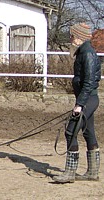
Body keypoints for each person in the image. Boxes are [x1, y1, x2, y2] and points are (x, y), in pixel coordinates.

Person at [52, 23, 101, 183]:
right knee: (88, 132)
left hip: (88, 99)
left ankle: (69, 173)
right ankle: (93, 172)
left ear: (79, 37)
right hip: (87, 98)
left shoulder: (87, 54)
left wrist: (79, 104)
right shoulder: (83, 52)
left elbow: (88, 82)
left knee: (70, 131)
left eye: (72, 35)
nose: (70, 38)